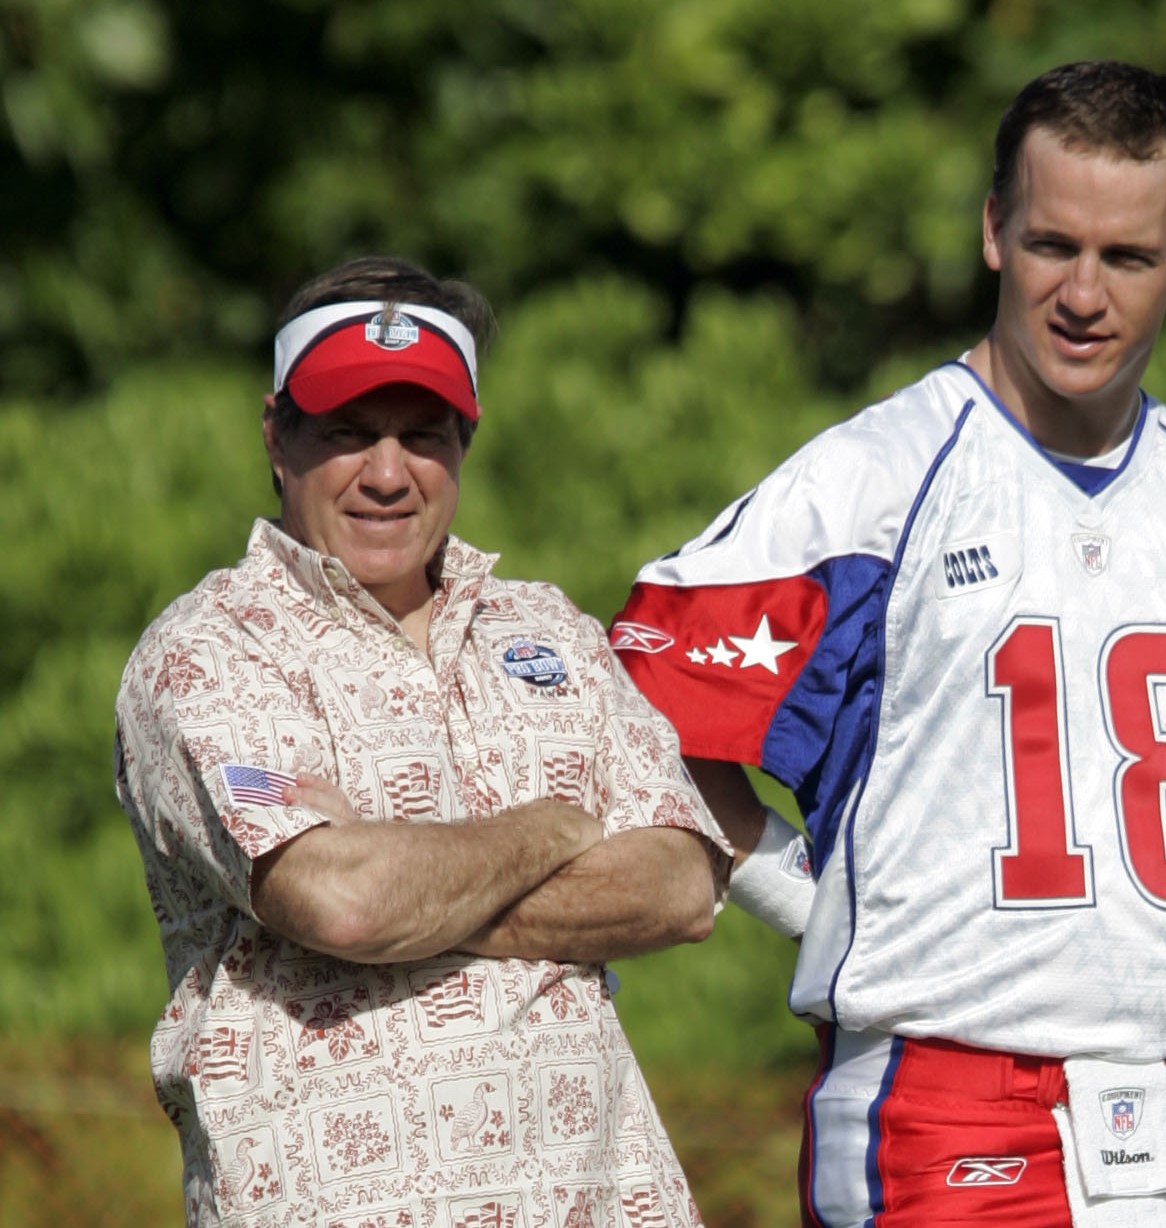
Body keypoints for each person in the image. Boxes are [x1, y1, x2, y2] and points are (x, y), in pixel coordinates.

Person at [607, 61, 1166, 1228]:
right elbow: (638, 713)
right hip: (939, 1102)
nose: (1085, 294)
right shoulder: (874, 480)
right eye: (1054, 244)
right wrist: (818, 895)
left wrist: (1115, 901)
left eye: (1129, 256)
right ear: (994, 228)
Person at [114, 256, 731, 1227]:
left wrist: (418, 884)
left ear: (467, 440)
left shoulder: (551, 630)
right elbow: (342, 898)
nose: (389, 473)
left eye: (424, 435)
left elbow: (684, 886)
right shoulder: (208, 651)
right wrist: (559, 825)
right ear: (277, 437)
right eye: (349, 434)